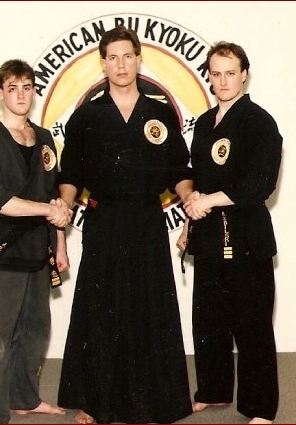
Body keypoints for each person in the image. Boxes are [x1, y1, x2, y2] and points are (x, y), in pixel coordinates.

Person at [57, 26, 194, 424]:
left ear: (138, 59)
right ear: (103, 63)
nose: (120, 65)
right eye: (113, 58)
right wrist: (63, 204)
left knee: (150, 308)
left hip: (147, 220)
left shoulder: (159, 112)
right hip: (105, 219)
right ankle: (94, 402)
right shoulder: (87, 115)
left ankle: (153, 403)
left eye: (127, 56)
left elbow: (179, 169)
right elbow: (71, 173)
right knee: (100, 310)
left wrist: (188, 198)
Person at [177, 41, 282, 424]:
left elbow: (259, 184)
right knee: (209, 320)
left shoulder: (259, 122)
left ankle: (260, 408)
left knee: (252, 324)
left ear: (244, 75)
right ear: (209, 76)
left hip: (247, 236)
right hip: (208, 235)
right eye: (216, 73)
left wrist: (209, 200)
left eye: (230, 73)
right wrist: (189, 223)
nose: (223, 81)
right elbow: (199, 180)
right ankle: (213, 390)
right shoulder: (205, 123)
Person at [0, 59, 73, 424]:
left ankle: (24, 398)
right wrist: (47, 209)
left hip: (39, 251)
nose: (21, 95)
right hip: (4, 251)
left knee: (35, 332)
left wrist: (60, 244)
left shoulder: (44, 139)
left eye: (27, 88)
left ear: (34, 91)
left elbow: (53, 195)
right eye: (12, 88)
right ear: (0, 93)